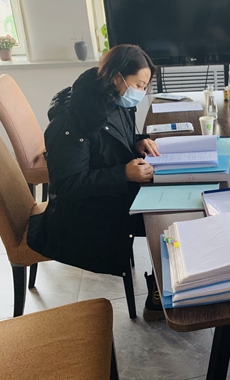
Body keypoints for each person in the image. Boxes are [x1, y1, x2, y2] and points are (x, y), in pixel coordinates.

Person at [27, 44, 163, 319]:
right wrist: (123, 174)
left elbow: (113, 140)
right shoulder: (72, 121)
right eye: (139, 85)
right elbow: (66, 184)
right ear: (117, 78)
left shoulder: (112, 98)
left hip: (111, 193)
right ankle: (160, 294)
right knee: (163, 218)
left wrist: (137, 142)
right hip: (86, 215)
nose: (141, 92)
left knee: (172, 204)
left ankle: (163, 283)